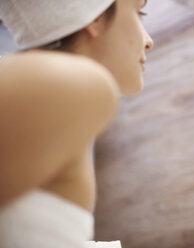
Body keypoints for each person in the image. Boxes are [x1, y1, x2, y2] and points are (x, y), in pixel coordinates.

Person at [0, 0, 153, 247]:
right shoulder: (82, 86)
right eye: (139, 13)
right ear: (94, 17)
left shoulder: (54, 103)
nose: (149, 40)